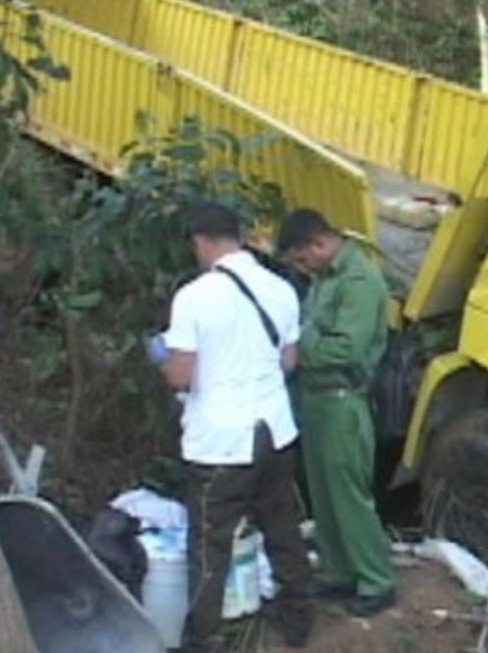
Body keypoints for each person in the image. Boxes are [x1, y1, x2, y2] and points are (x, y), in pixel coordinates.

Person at [150, 202, 313, 651]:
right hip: (275, 433)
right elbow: (289, 360)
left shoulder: (194, 297)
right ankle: (299, 623)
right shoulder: (281, 289)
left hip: (220, 443)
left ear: (201, 242)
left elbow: (181, 375)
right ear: (237, 237)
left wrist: (162, 358)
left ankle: (206, 639)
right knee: (282, 529)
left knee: (210, 546)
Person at [276, 208, 397, 617]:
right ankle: (339, 573)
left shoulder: (359, 281)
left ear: (320, 243)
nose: (300, 266)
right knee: (322, 496)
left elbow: (349, 347)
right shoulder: (323, 281)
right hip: (317, 401)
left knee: (348, 495)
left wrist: (298, 353)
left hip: (343, 399)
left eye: (301, 258)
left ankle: (376, 580)